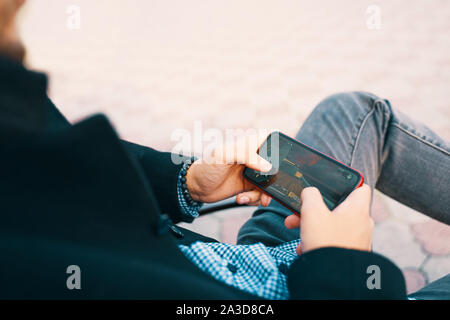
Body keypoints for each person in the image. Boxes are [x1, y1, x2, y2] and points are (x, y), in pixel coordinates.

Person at [0, 0, 448, 299]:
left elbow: (55, 178)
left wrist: (187, 182)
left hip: (231, 261)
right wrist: (340, 265)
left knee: (354, 112)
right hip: (301, 286)